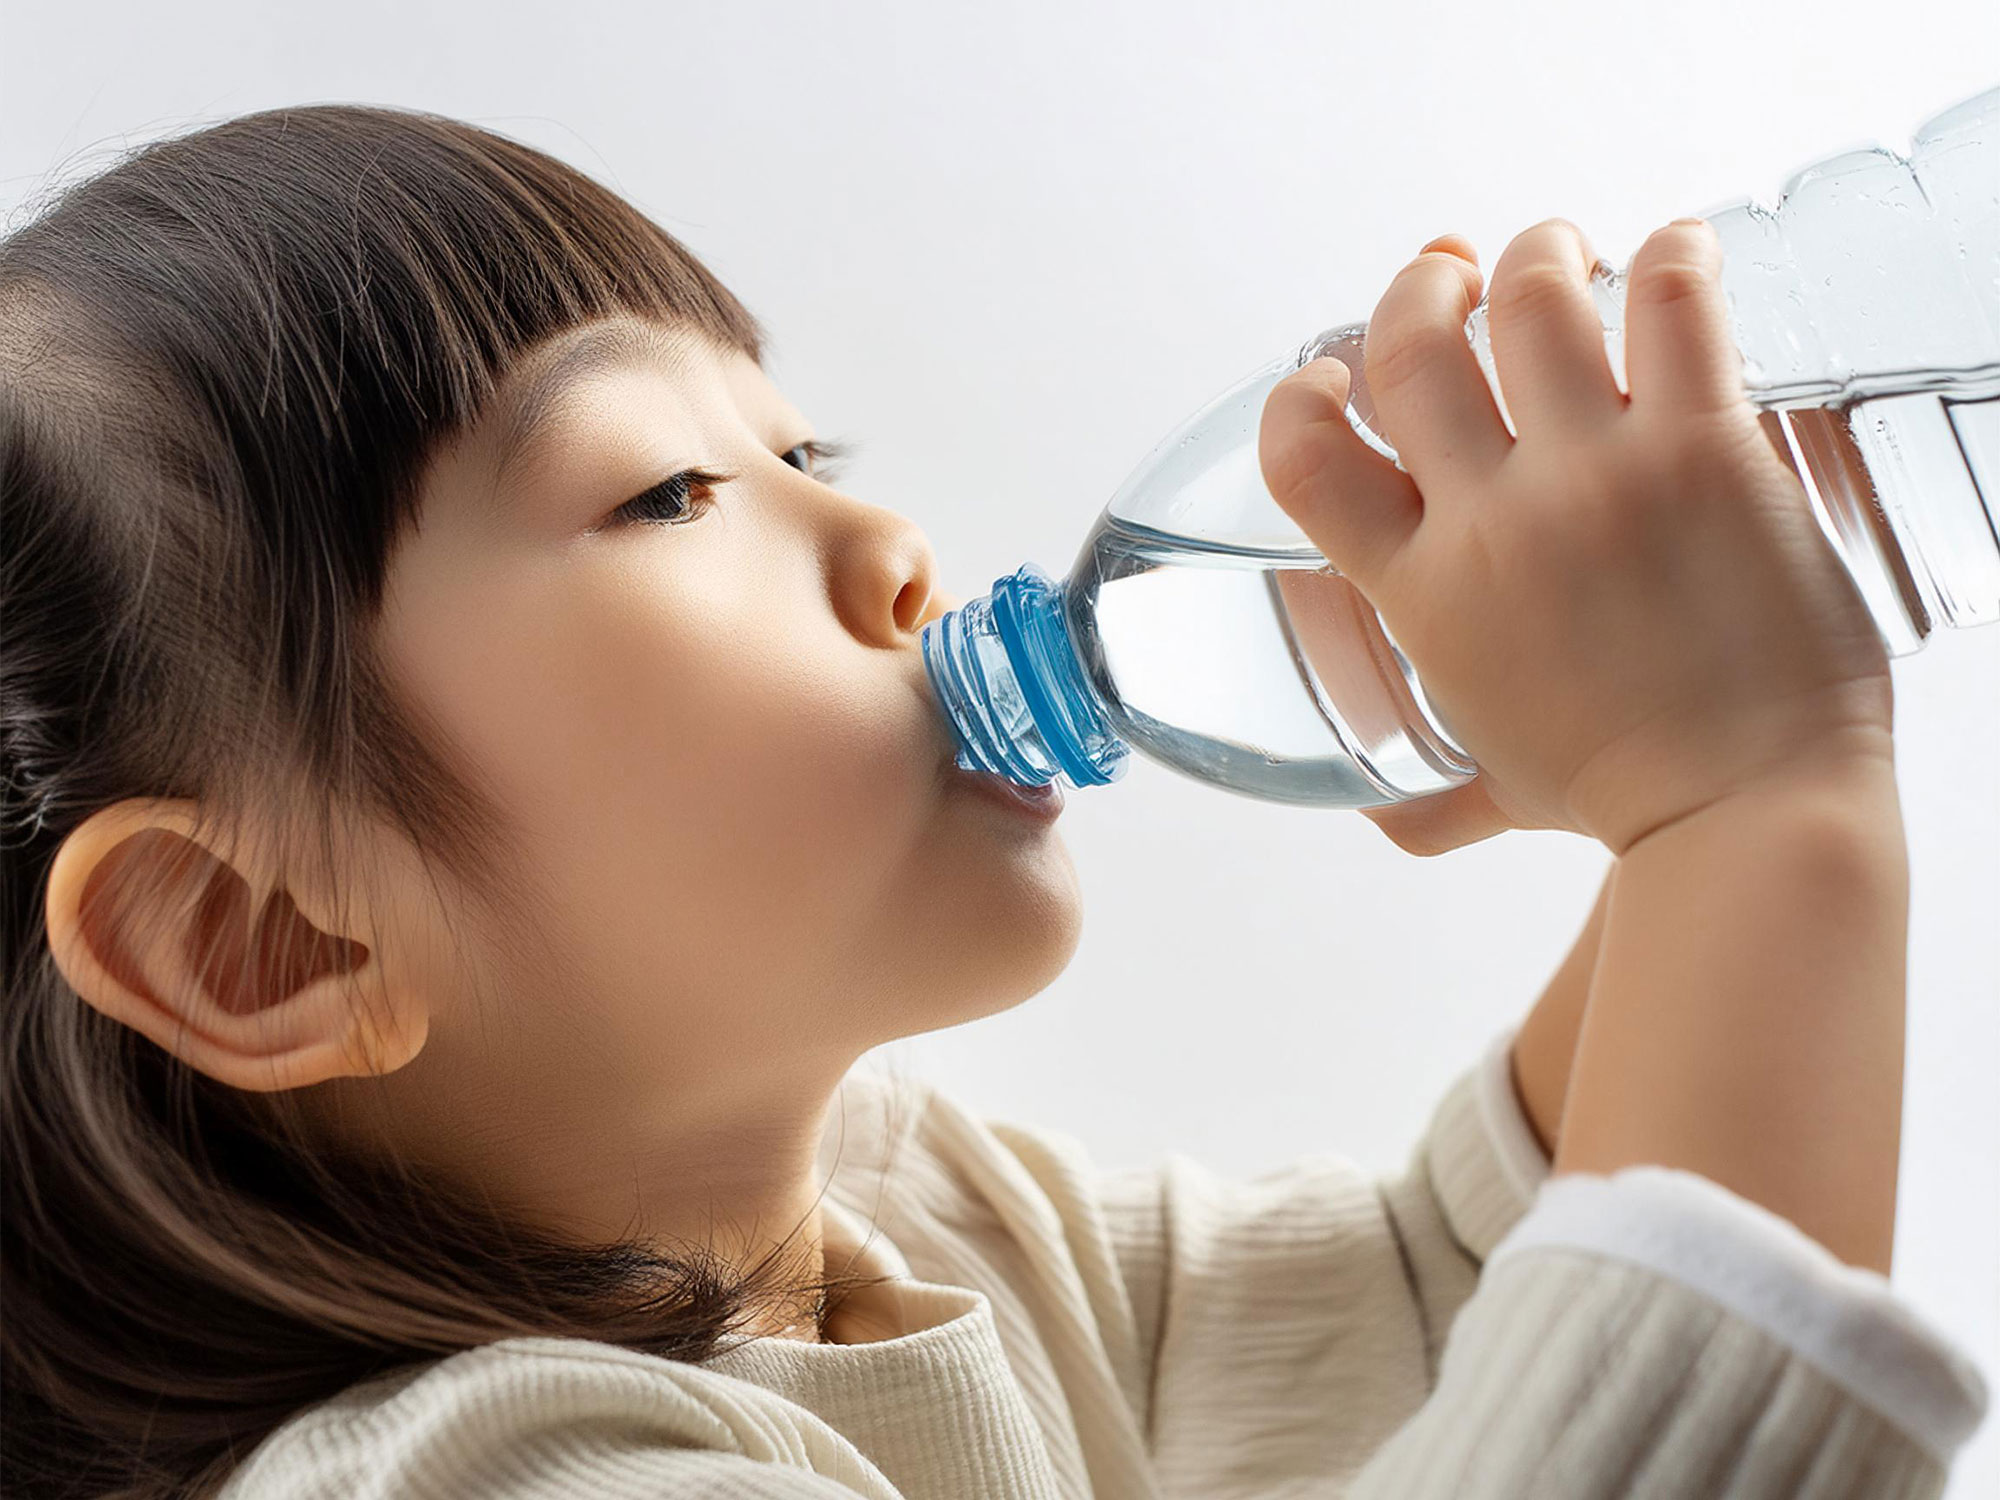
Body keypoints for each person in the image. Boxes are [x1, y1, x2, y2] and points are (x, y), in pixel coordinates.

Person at [0, 103, 1985, 1499]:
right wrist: (1749, 804)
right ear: (266, 939)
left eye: (797, 446)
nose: (886, 539)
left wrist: (1655, 759)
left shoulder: (898, 1215)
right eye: (665, 493)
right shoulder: (483, 1484)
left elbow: (1441, 1302)